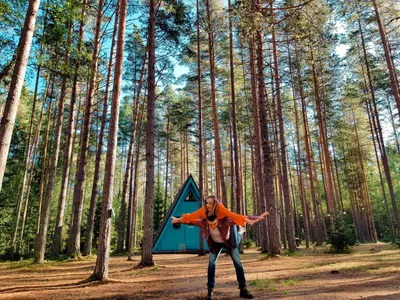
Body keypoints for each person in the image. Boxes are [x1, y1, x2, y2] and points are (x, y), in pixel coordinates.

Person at [171, 195, 269, 300]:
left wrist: (256, 218)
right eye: (210, 224)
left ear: (218, 219)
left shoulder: (225, 220)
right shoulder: (204, 222)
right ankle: (210, 292)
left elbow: (238, 217)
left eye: (214, 224)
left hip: (228, 242)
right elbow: (190, 220)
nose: (212, 226)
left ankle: (243, 289)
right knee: (211, 264)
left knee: (238, 262)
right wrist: (177, 220)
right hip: (215, 244)